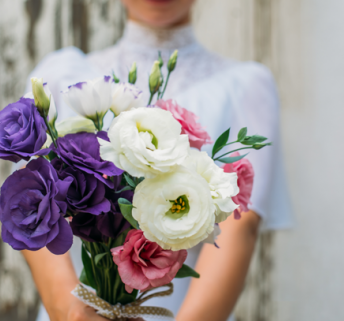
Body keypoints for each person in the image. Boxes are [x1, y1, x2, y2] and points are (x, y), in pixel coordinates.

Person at [22, 0, 291, 320]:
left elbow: (239, 229)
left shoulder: (245, 87)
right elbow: (32, 210)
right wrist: (72, 313)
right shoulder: (62, 76)